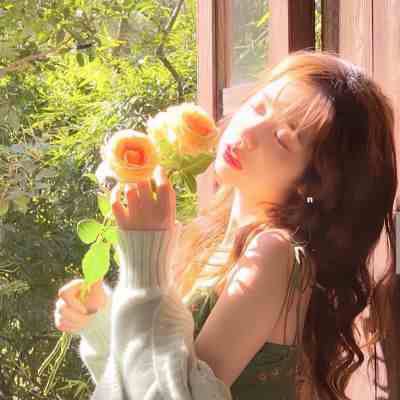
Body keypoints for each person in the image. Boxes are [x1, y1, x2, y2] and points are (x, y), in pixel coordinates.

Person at [54, 51, 399, 400]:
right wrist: (101, 322)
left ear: (313, 185)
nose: (248, 132)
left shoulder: (275, 251)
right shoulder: (214, 240)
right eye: (259, 107)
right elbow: (137, 384)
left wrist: (145, 254)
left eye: (282, 138)